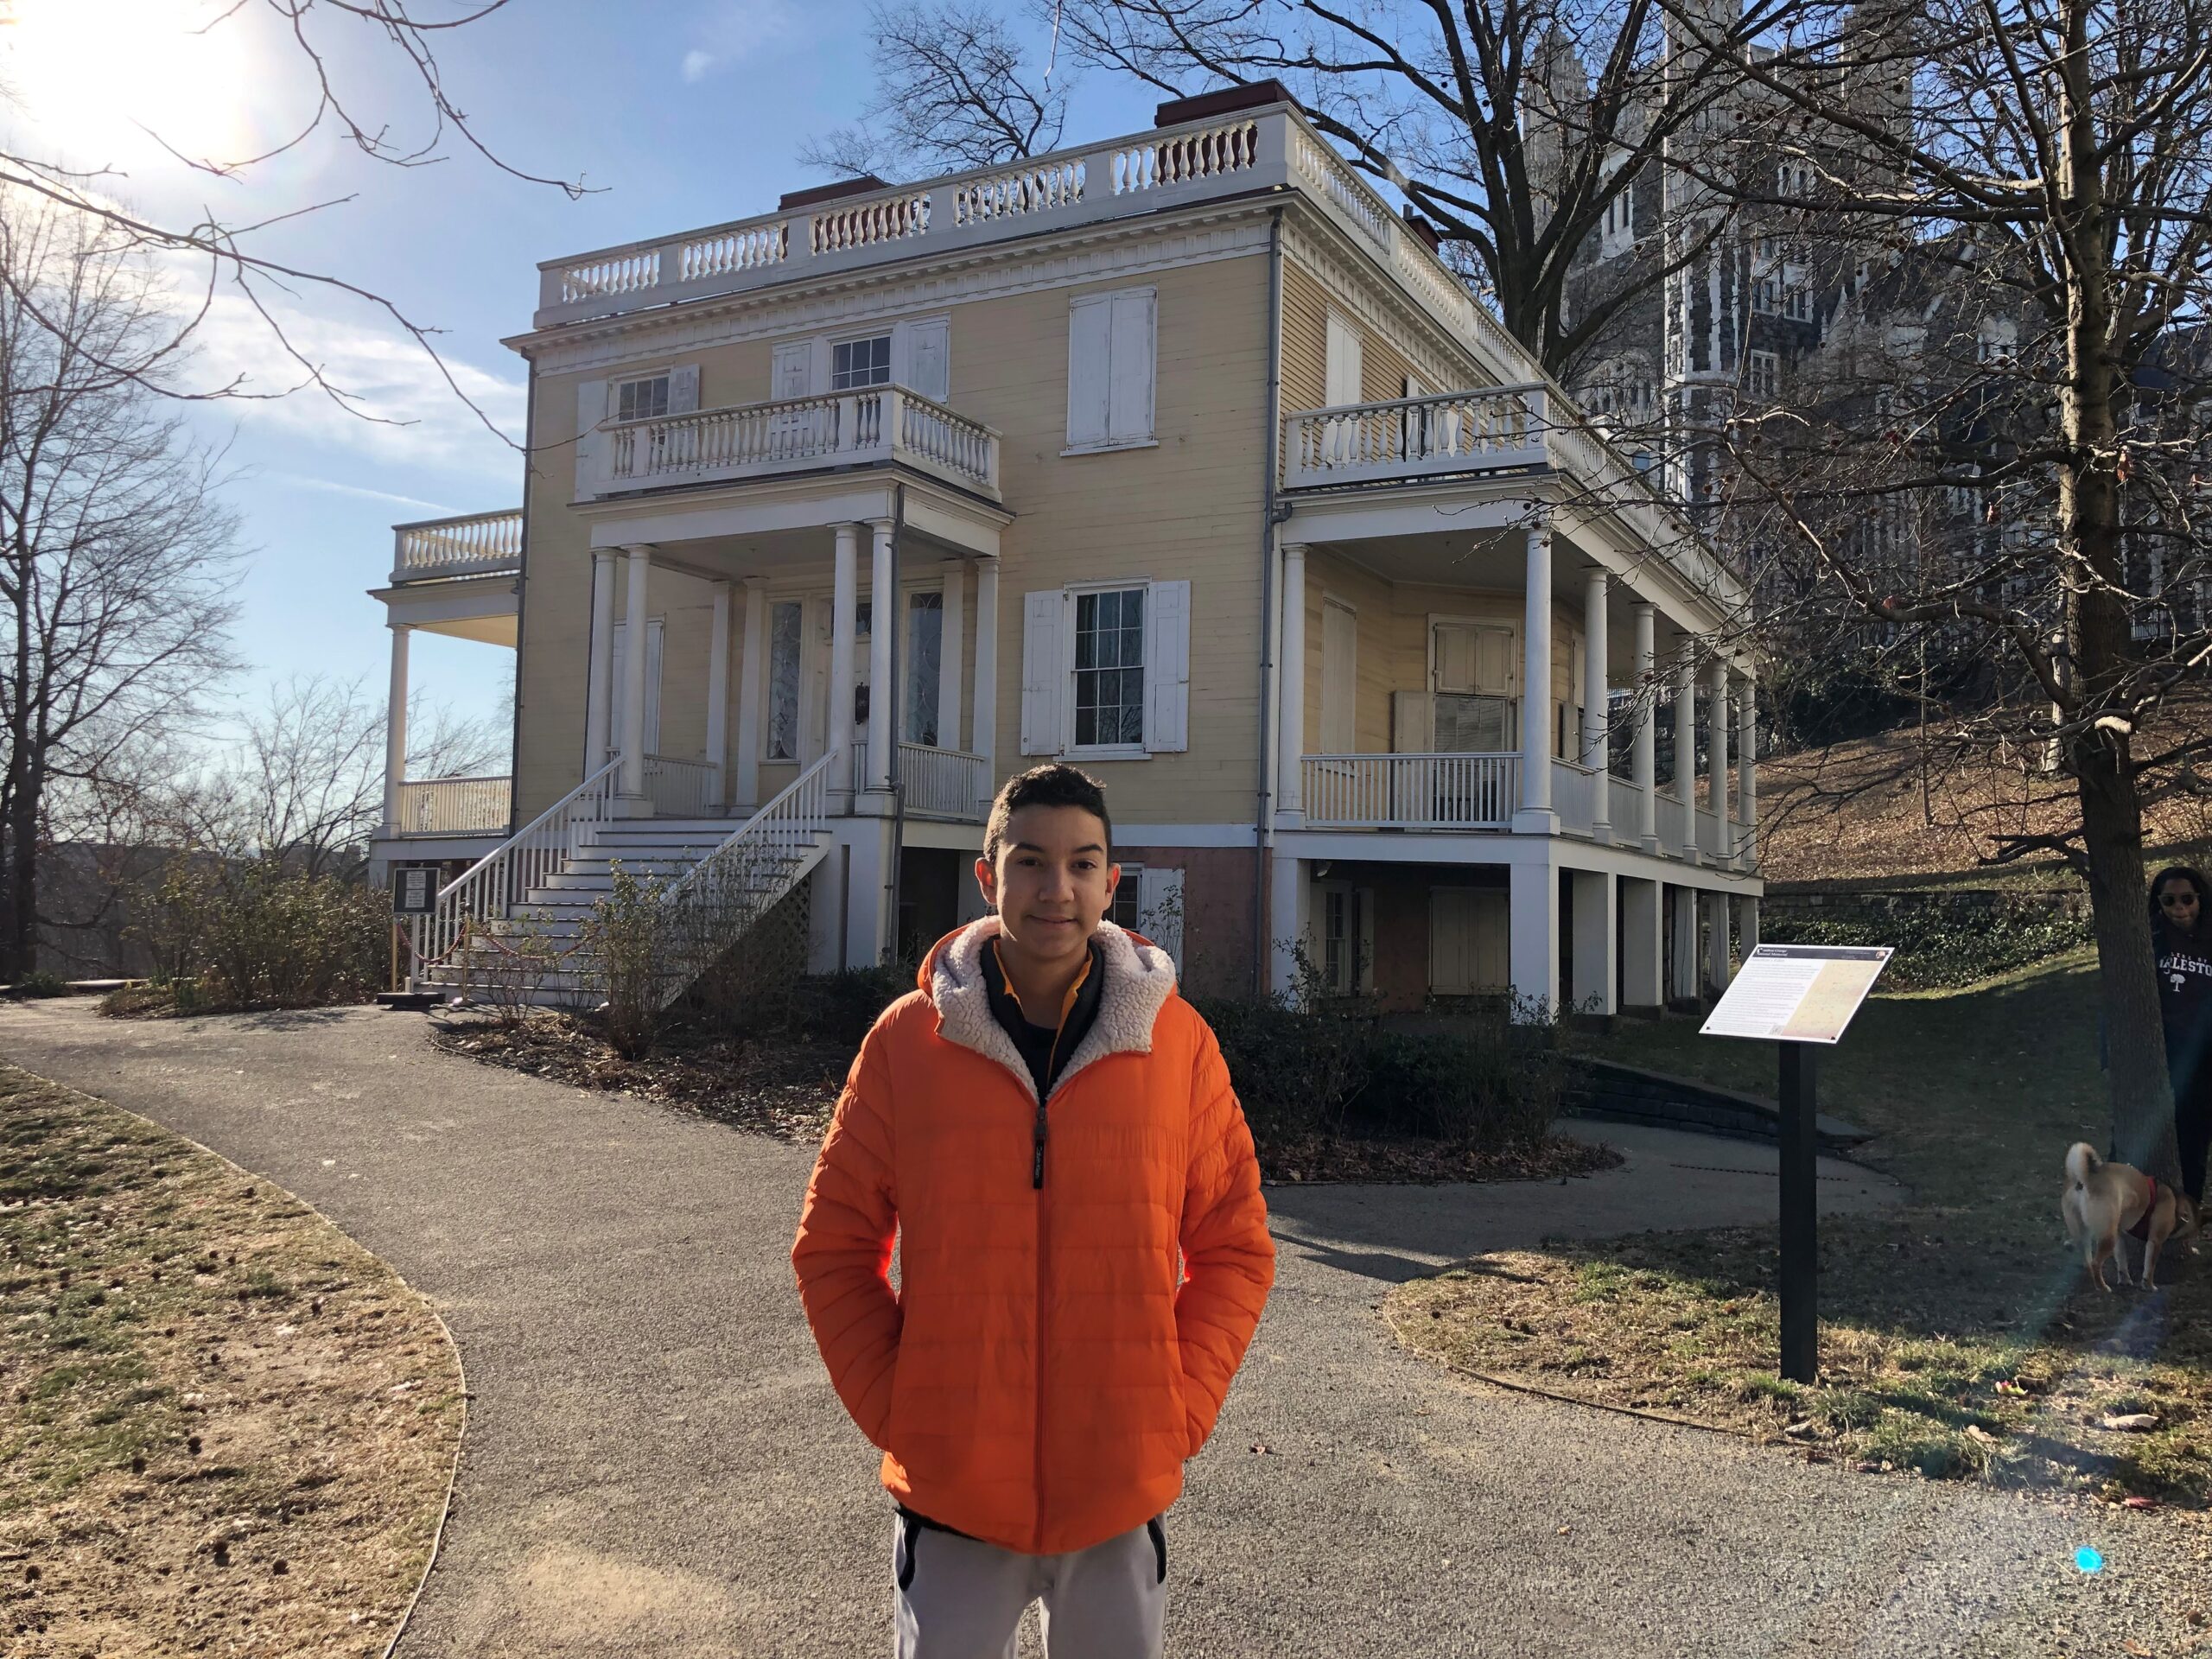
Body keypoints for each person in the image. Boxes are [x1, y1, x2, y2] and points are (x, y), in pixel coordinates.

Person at [792, 763, 1275, 1658]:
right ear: (988, 877)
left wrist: (1175, 1409)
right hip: (954, 1497)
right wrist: (902, 1409)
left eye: (1082, 864)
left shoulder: (1178, 1044)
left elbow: (1236, 1248)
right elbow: (833, 1246)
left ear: (1110, 882)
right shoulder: (906, 1042)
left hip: (1117, 1494)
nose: (1057, 889)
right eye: (1030, 863)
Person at [2149, 863, 2212, 1206]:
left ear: (2200, 899)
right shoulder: (2151, 940)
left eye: (2188, 899)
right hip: (2162, 1053)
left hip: (2203, 1059)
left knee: (2194, 1141)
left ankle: (2187, 1215)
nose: (2180, 909)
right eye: (2169, 901)